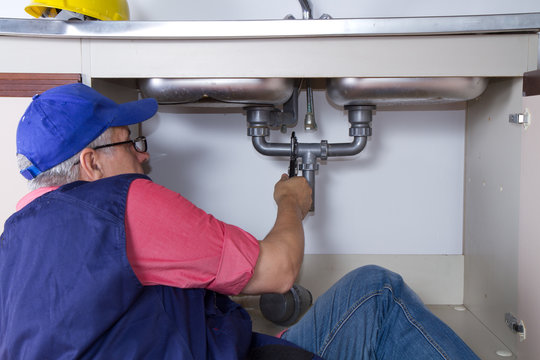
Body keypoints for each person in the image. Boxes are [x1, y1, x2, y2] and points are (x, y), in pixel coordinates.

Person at [0, 83, 479, 360]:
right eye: (129, 143)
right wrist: (290, 202)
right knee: (376, 292)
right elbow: (278, 271)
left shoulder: (16, 235)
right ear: (91, 162)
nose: (142, 159)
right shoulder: (123, 202)